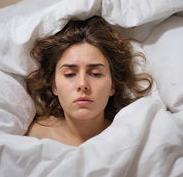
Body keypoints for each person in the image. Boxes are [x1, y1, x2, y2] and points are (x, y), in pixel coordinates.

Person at [25, 16, 153, 146]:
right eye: (69, 74)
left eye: (95, 74)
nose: (82, 84)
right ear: (54, 86)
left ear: (112, 86)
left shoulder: (132, 138)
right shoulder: (33, 136)